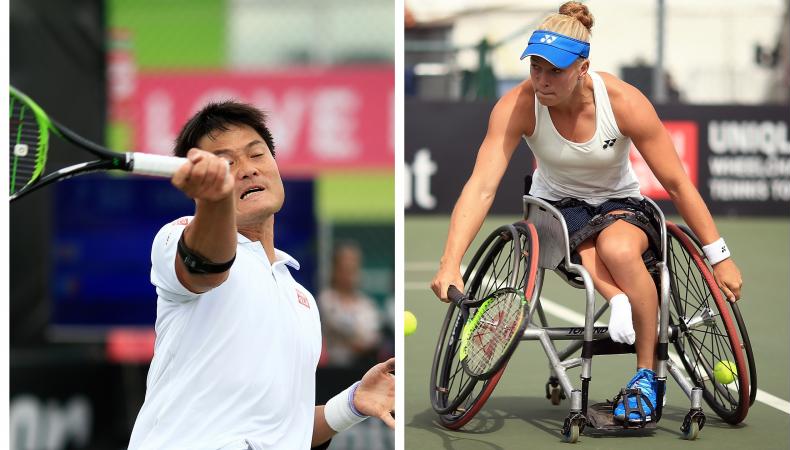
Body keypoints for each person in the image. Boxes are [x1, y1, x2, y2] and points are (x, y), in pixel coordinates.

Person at [430, 1, 742, 425]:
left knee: (618, 247)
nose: (542, 80)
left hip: (619, 203)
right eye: (535, 68)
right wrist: (450, 262)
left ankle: (647, 376)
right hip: (554, 207)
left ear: (583, 67)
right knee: (574, 237)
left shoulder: (624, 102)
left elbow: (677, 184)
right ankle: (619, 302)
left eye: (554, 70)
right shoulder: (518, 105)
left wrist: (719, 256)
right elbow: (481, 187)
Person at [128, 101, 394, 450]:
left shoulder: (304, 302)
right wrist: (216, 201)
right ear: (197, 184)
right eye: (226, 163)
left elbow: (285, 431)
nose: (248, 170)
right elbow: (205, 265)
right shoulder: (177, 236)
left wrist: (351, 404)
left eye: (257, 155)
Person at [318, 242, 382, 368]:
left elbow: (371, 339)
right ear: (335, 270)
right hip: (333, 371)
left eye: (353, 268)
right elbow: (344, 330)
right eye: (345, 268)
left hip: (364, 370)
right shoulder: (326, 300)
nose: (349, 275)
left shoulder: (368, 304)